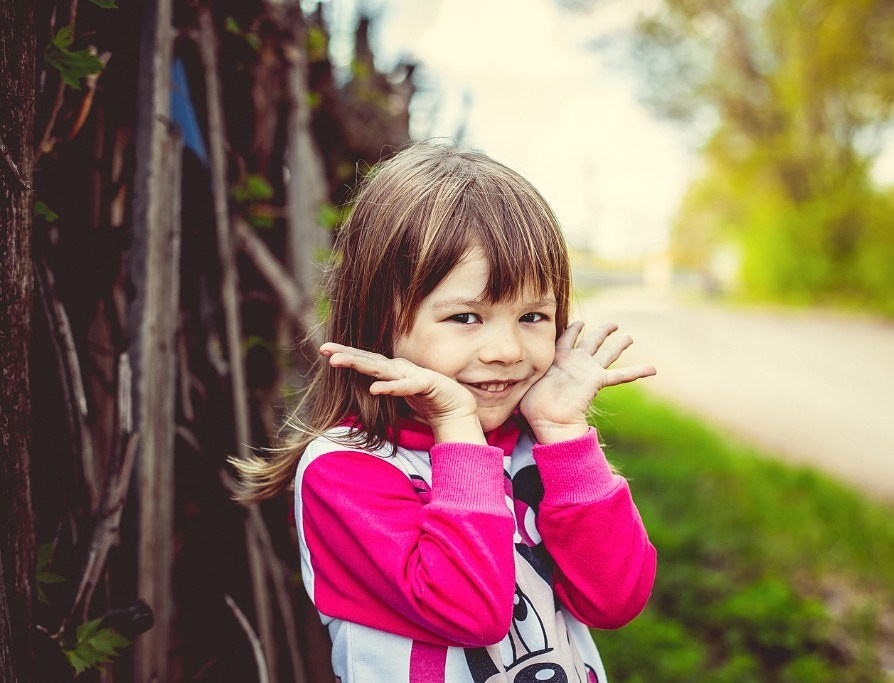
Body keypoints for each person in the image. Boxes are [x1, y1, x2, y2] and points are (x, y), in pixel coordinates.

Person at [234, 143, 658, 682]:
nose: (506, 349)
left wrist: (565, 434)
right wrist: (457, 430)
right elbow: (470, 612)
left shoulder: (540, 449)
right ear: (379, 320)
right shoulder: (344, 469)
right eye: (465, 317)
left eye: (532, 315)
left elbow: (616, 600)